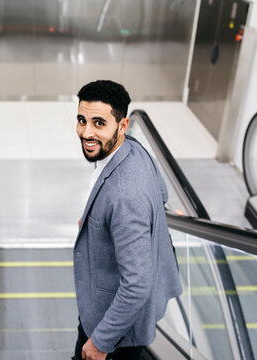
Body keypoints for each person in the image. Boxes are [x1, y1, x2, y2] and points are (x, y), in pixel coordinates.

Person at [72, 80, 183, 360]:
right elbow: (162, 192)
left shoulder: (125, 197)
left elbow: (136, 285)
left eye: (99, 123)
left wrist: (100, 342)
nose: (86, 132)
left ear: (123, 125)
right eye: (82, 120)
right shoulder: (133, 150)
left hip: (113, 327)